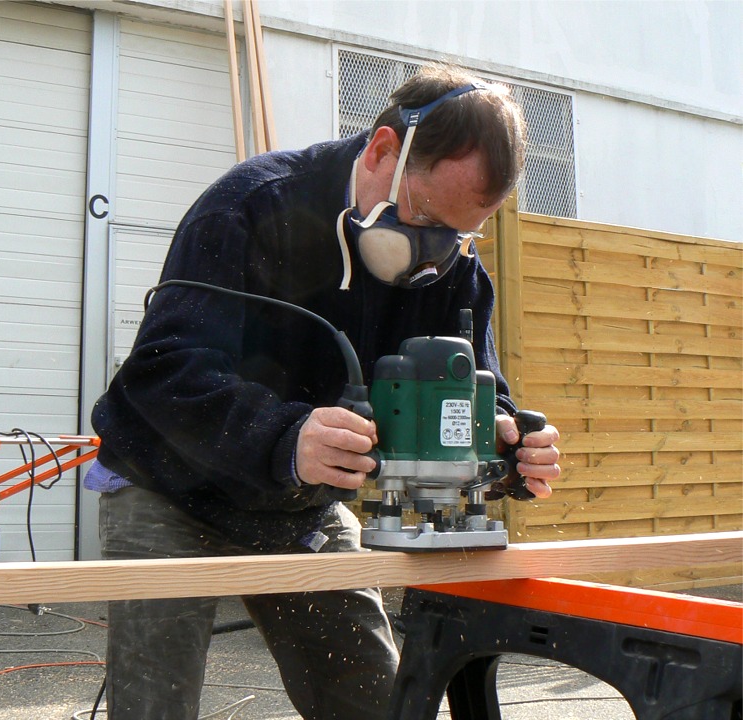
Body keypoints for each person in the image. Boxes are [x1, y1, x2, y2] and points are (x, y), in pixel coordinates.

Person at [86, 63, 561, 720]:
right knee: (155, 710)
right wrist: (285, 435)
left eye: (459, 232)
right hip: (169, 491)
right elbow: (163, 372)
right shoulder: (251, 204)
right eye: (421, 216)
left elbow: (474, 390)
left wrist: (507, 446)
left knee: (371, 703)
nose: (433, 255)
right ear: (381, 151)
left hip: (300, 509)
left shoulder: (454, 268)